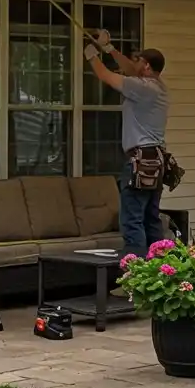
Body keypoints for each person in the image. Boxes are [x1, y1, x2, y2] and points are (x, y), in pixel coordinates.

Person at [83, 29, 170, 254]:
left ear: (147, 66)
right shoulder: (157, 86)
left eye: (138, 60)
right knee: (151, 218)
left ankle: (135, 274)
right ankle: (158, 273)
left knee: (132, 220)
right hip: (156, 161)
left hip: (141, 162)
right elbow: (131, 70)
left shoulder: (141, 87)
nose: (132, 64)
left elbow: (105, 76)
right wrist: (109, 48)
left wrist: (91, 54)